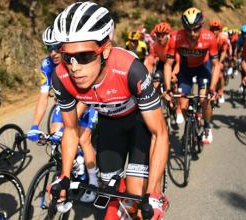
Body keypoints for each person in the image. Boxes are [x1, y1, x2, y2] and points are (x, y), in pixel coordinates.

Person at [52, 2, 169, 219]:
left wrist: (153, 193)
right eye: (68, 57)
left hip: (139, 124)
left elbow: (159, 133)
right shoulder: (61, 77)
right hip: (109, 125)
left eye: (85, 56)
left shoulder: (130, 69)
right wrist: (64, 176)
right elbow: (70, 130)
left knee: (137, 199)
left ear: (105, 49)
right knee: (110, 189)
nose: (75, 67)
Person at [26, 25, 99, 202]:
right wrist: (35, 126)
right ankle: (69, 166)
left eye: (56, 47)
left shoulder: (76, 60)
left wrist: (70, 127)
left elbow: (86, 95)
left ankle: (94, 183)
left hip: (88, 99)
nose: (52, 53)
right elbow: (43, 97)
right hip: (68, 102)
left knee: (82, 139)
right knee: (55, 131)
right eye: (48, 48)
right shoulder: (47, 65)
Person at [164, 7, 220, 144]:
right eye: (188, 29)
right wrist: (167, 89)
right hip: (186, 70)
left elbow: (216, 65)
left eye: (196, 29)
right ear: (183, 27)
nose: (192, 33)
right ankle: (191, 125)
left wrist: (212, 88)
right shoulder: (175, 38)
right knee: (182, 104)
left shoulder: (210, 37)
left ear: (201, 25)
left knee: (203, 99)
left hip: (203, 68)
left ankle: (207, 126)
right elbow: (167, 65)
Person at [144, 22, 184, 124]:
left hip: (175, 64)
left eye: (162, 35)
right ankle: (157, 107)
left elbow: (179, 62)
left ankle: (178, 110)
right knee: (155, 82)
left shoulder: (174, 44)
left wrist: (173, 74)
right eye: (158, 35)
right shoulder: (154, 45)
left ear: (168, 35)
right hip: (163, 64)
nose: (160, 38)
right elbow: (150, 60)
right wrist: (146, 75)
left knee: (175, 85)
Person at [209, 19, 231, 104]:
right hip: (210, 56)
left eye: (216, 29)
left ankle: (221, 92)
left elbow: (223, 51)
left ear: (220, 30)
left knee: (220, 75)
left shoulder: (223, 38)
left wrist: (220, 62)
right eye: (213, 29)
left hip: (219, 56)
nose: (214, 31)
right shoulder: (208, 37)